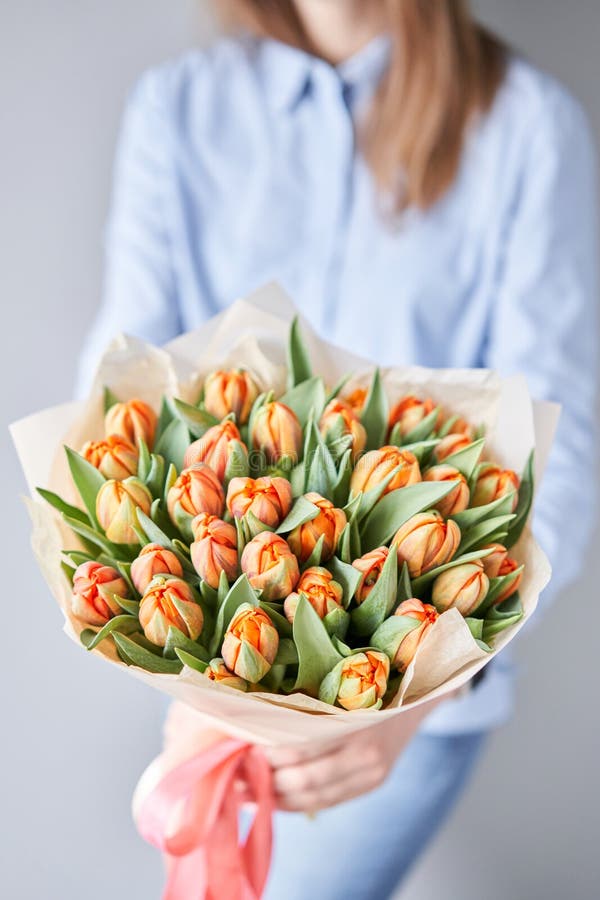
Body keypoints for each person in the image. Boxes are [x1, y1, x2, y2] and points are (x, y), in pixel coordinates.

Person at [79, 1, 598, 897]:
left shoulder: (523, 124)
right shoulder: (180, 107)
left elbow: (562, 444)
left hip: (416, 698)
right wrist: (168, 616)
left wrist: (424, 693)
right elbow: (118, 395)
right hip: (212, 659)